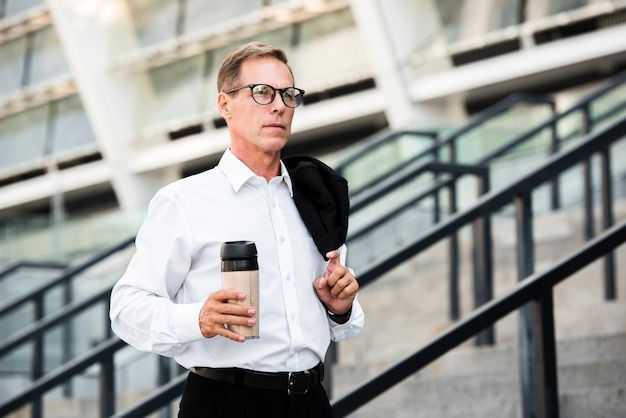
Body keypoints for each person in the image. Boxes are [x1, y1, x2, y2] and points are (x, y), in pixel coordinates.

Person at [109, 41, 364, 418]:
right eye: (262, 92)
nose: (279, 105)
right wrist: (198, 319)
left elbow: (343, 324)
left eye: (288, 94)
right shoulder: (183, 201)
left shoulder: (315, 197)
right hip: (225, 402)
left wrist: (340, 309)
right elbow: (126, 308)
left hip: (310, 401)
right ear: (225, 105)